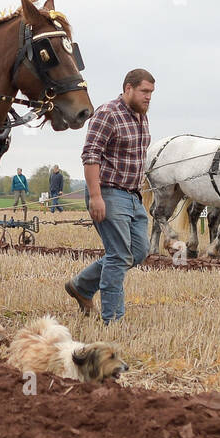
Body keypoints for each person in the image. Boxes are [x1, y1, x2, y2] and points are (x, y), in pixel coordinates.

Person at [64, 68, 155, 324]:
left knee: (138, 251)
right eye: (144, 91)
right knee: (118, 256)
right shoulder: (107, 114)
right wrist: (95, 197)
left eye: (151, 93)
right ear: (128, 88)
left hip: (133, 196)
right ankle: (112, 320)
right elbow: (90, 155)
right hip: (109, 192)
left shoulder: (141, 116)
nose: (148, 97)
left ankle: (82, 286)